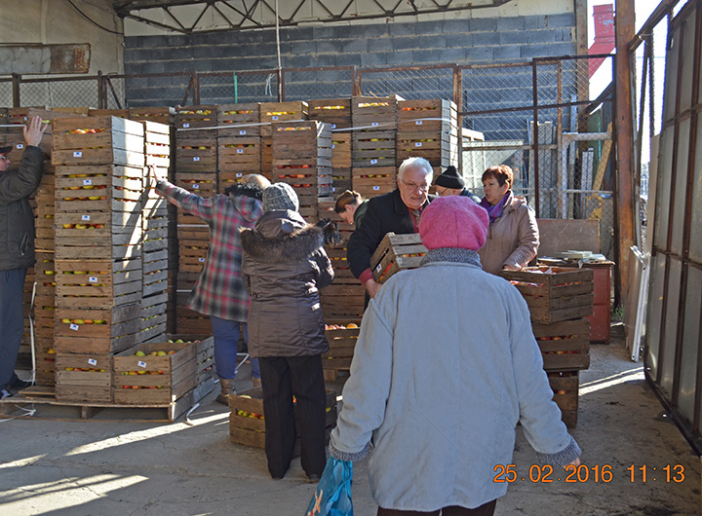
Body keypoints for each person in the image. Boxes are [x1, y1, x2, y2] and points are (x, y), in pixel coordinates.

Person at [329, 196, 581, 516]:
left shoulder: (395, 292)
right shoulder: (505, 296)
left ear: (426, 234)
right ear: (479, 236)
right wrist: (555, 444)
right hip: (482, 454)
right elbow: (530, 382)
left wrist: (348, 441)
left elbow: (369, 379)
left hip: (409, 454)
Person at [239, 182, 334, 481]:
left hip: (265, 329)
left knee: (275, 398)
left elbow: (248, 283)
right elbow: (327, 276)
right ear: (293, 204)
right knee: (310, 398)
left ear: (265, 208)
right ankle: (315, 467)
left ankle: (277, 467)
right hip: (303, 328)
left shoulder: (251, 242)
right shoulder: (309, 238)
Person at [154, 173, 271, 404]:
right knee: (259, 341)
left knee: (224, 339)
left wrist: (161, 185)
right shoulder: (268, 213)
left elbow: (189, 201)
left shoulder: (220, 205)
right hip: (255, 290)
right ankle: (261, 393)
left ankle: (227, 392)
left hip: (220, 289)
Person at [0, 116, 47, 404]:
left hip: (6, 262)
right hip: (1, 265)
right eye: (2, 159)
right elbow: (25, 181)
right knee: (5, 325)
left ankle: (6, 377)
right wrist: (33, 147)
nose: (6, 162)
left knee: (9, 323)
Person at [347, 157, 435, 299]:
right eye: (411, 185)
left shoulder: (438, 208)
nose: (418, 192)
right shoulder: (380, 207)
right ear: (400, 184)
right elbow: (358, 247)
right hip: (390, 294)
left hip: (429, 294)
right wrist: (370, 284)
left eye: (423, 185)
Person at [478, 165, 539, 275]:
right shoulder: (477, 212)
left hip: (507, 280)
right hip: (478, 278)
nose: (486, 189)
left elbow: (529, 244)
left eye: (491, 184)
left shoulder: (521, 212)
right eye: (484, 185)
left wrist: (510, 267)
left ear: (504, 187)